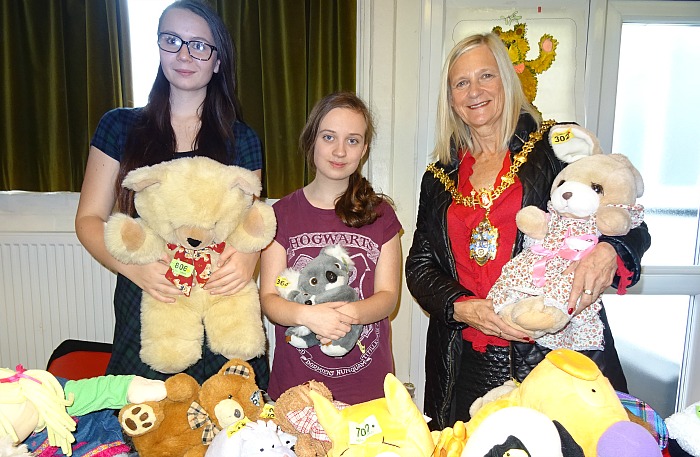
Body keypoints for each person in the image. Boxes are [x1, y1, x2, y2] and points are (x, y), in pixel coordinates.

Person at [405, 33, 651, 430]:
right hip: (463, 356)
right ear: (450, 98)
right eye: (461, 83)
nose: (474, 91)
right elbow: (419, 265)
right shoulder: (438, 176)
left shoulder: (556, 147)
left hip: (550, 351)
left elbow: (628, 215)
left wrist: (611, 252)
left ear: (506, 80)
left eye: (486, 76)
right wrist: (462, 307)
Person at [75, 0, 268, 387]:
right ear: (159, 45)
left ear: (217, 61)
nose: (184, 54)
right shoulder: (119, 126)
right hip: (149, 297)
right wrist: (137, 270)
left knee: (229, 428)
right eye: (172, 40)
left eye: (199, 45)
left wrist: (249, 261)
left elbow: (253, 221)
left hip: (219, 302)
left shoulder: (241, 138)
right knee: (148, 424)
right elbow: (88, 220)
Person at [259, 92, 402, 404]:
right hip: (297, 391)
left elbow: (388, 297)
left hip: (368, 391)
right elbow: (271, 297)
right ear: (312, 141)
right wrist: (309, 316)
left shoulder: (382, 215)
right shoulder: (280, 215)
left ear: (364, 149)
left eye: (352, 140)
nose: (340, 151)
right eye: (329, 137)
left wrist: (346, 314)